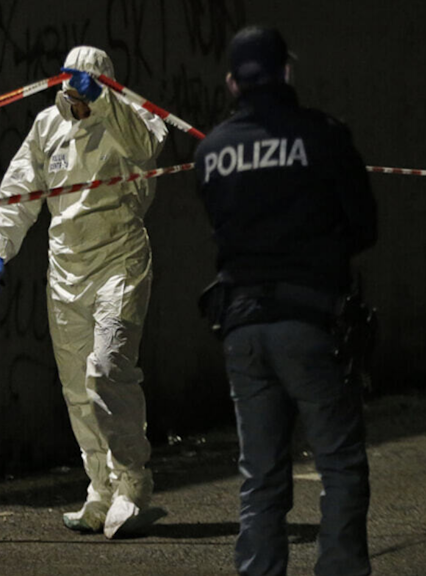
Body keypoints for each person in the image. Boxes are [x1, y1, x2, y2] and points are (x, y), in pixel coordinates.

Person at [194, 26, 377, 576]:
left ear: (232, 82)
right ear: (287, 71)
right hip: (311, 320)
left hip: (242, 325)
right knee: (339, 463)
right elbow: (364, 225)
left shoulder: (212, 151)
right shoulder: (322, 136)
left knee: (260, 476)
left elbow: (220, 229)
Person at [0, 46, 168, 539]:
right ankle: (99, 488)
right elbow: (20, 188)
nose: (76, 99)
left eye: (84, 89)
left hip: (119, 260)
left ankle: (132, 484)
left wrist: (105, 102)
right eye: (72, 90)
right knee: (77, 387)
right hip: (66, 269)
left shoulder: (135, 119)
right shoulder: (48, 126)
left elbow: (144, 148)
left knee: (108, 371)